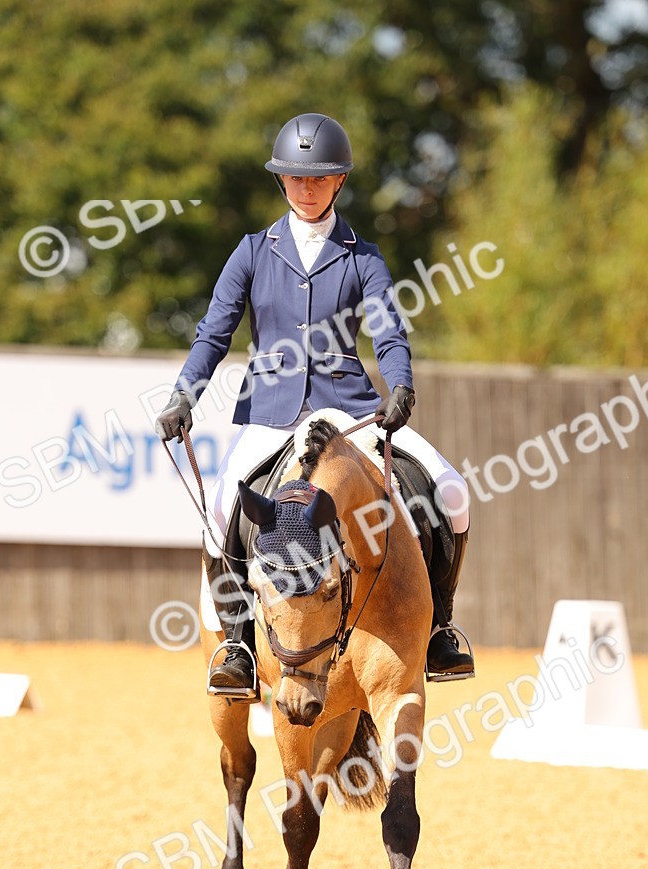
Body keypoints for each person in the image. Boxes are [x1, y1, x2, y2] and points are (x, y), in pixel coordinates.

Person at [156, 113, 474, 696]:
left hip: (347, 410)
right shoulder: (252, 253)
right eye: (296, 179)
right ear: (282, 182)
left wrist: (401, 384)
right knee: (224, 510)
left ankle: (441, 630)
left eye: (319, 178)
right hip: (271, 413)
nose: (307, 189)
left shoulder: (363, 257)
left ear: (339, 181)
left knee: (452, 491)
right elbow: (213, 333)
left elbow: (388, 330)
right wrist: (184, 396)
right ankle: (236, 645)